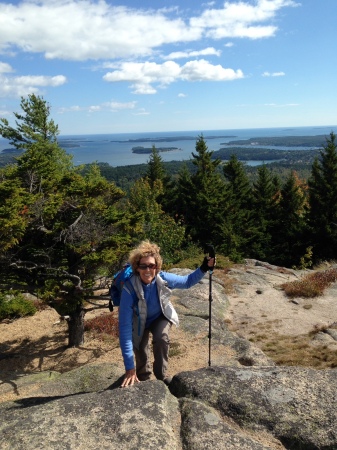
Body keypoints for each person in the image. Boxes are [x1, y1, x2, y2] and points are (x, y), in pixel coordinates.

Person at [118, 240, 215, 388]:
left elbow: (187, 281)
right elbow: (124, 328)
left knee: (161, 338)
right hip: (138, 321)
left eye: (151, 265)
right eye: (143, 266)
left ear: (157, 266)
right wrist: (129, 368)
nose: (147, 270)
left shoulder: (162, 277)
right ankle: (143, 379)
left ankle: (161, 377)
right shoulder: (129, 288)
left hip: (159, 317)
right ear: (137, 268)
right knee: (140, 346)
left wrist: (204, 268)